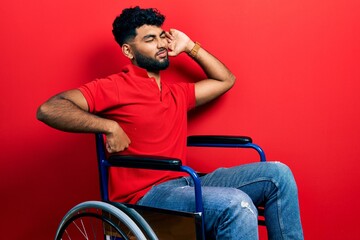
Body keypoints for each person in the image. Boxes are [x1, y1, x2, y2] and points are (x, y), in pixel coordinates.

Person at [37, 6, 303, 239]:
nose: (161, 44)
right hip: (146, 197)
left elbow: (226, 80)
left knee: (279, 175)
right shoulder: (115, 87)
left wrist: (189, 47)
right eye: (150, 39)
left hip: (185, 182)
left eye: (162, 36)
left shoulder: (177, 92)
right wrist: (108, 126)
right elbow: (49, 108)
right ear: (128, 50)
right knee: (237, 204)